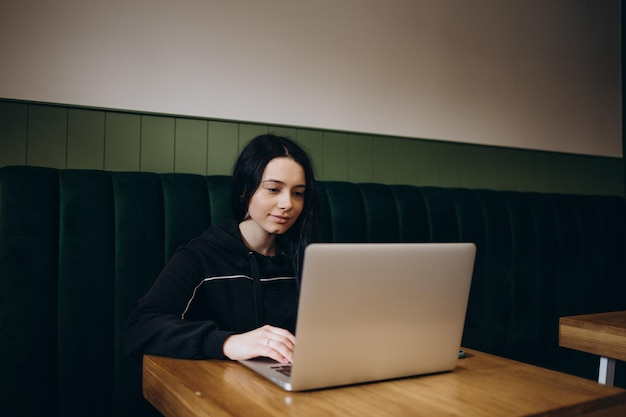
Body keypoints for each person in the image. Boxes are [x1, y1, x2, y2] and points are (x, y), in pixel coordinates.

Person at [124, 134, 317, 364]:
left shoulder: (307, 257)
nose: (287, 204)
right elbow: (139, 329)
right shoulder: (201, 256)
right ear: (245, 189)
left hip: (294, 384)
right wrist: (227, 343)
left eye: (298, 193)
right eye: (274, 189)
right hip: (218, 390)